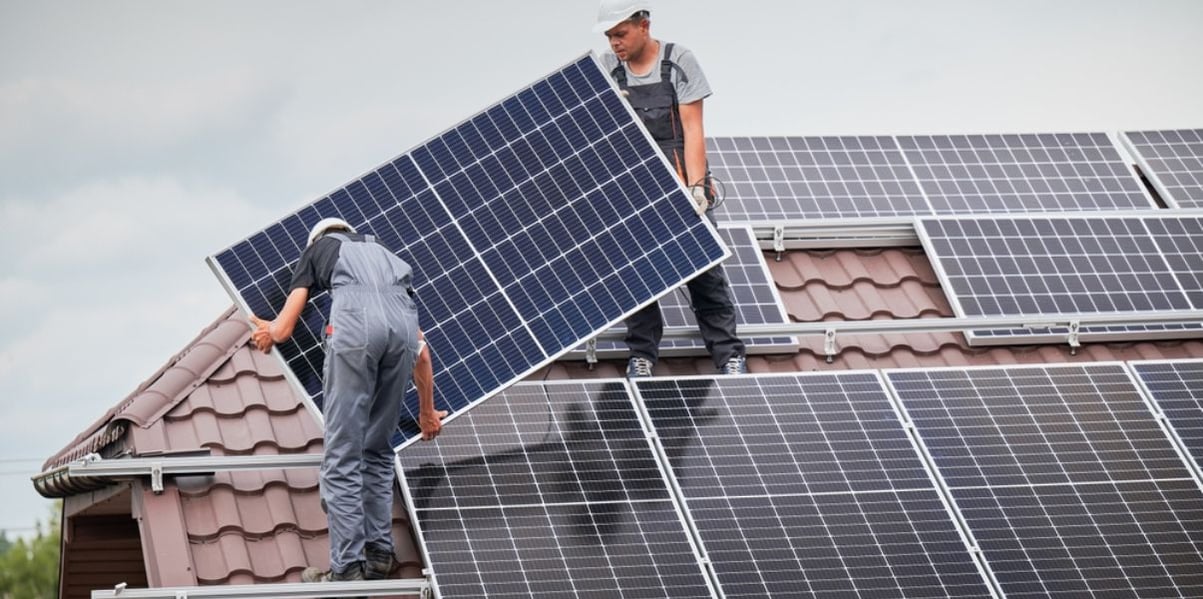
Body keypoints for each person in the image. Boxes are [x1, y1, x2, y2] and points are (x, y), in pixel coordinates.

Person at [249, 217, 447, 584]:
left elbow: (285, 326)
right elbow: (421, 352)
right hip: (402, 334)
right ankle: (379, 556)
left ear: (319, 238)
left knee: (342, 455)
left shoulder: (318, 250)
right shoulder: (389, 258)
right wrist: (426, 413)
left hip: (356, 331)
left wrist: (268, 333)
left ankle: (346, 569)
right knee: (377, 449)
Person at [594, 0, 747, 377]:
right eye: (610, 36)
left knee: (703, 268)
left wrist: (696, 188)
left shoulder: (679, 60)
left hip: (680, 177)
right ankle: (642, 355)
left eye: (621, 33)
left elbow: (693, 129)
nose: (615, 43)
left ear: (644, 26)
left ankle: (728, 355)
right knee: (637, 271)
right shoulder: (607, 68)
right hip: (633, 186)